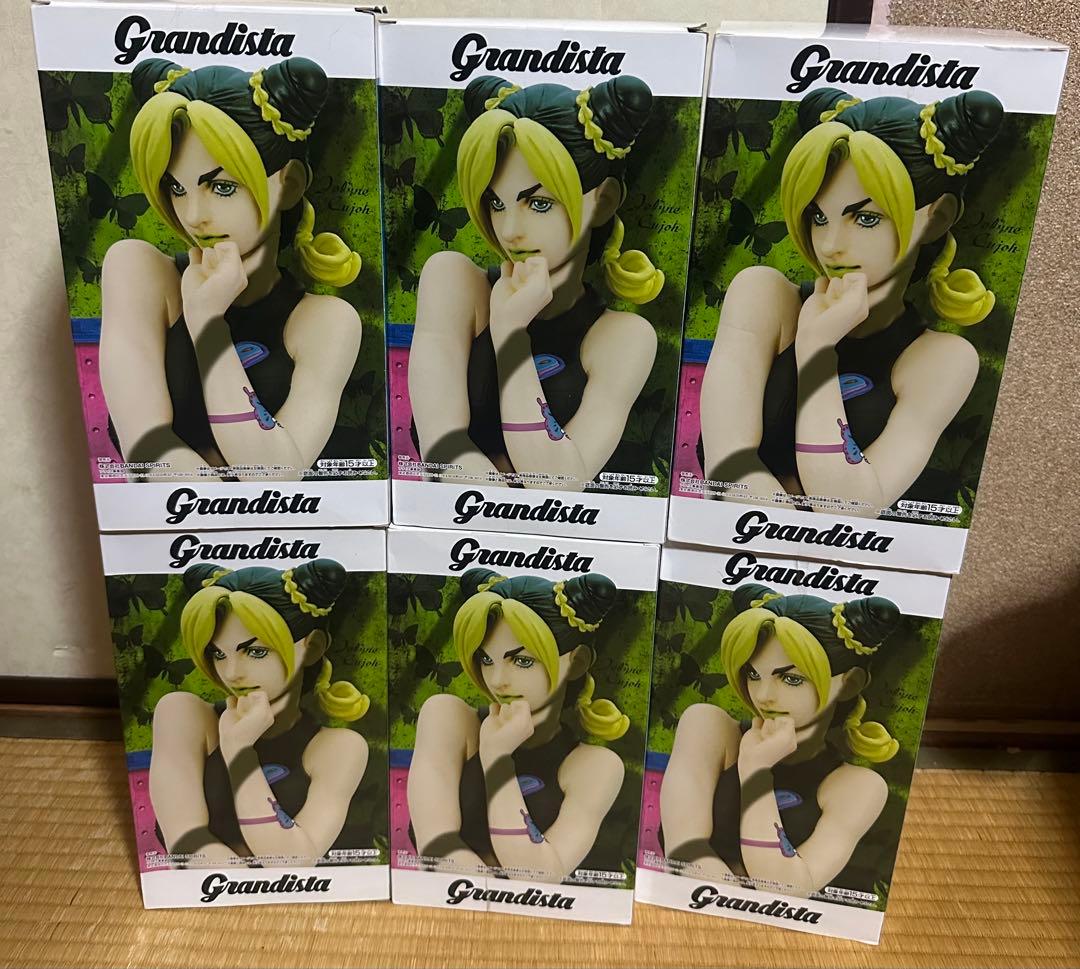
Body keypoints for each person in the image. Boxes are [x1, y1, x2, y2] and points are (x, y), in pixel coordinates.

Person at [700, 88, 1004, 516]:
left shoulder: (942, 360)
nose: (829, 245)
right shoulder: (763, 297)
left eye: (865, 218)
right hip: (733, 544)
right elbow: (727, 466)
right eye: (818, 216)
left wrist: (818, 351)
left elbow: (848, 508)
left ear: (937, 217)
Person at [101, 57, 363, 480]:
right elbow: (146, 447)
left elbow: (274, 475)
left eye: (222, 187)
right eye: (176, 187)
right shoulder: (140, 272)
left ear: (290, 184)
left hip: (280, 524)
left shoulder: (326, 321)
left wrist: (208, 324)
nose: (193, 216)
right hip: (171, 520)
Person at [409, 75, 664, 489]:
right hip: (458, 523)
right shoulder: (453, 283)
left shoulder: (624, 337)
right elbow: (442, 450)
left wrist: (511, 335)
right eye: (496, 202)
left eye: (539, 203)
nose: (509, 231)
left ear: (603, 201)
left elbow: (555, 484)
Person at [660, 583, 903, 897]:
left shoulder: (857, 786)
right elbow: (683, 849)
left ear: (850, 683)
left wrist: (756, 772)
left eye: (791, 679)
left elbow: (786, 890)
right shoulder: (709, 727)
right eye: (753, 674)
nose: (763, 696)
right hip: (698, 907)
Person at [408, 568, 628, 883]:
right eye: (486, 659)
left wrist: (498, 760)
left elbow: (538, 877)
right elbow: (436, 845)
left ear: (577, 662)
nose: (497, 680)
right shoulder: (449, 719)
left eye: (522, 661)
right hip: (448, 901)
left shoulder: (595, 766)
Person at [150, 559, 369, 867]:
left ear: (313, 647)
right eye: (218, 653)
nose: (231, 673)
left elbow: (291, 862)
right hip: (209, 890)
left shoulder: (339, 747)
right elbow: (185, 841)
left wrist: (239, 751)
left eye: (256, 651)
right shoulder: (184, 715)